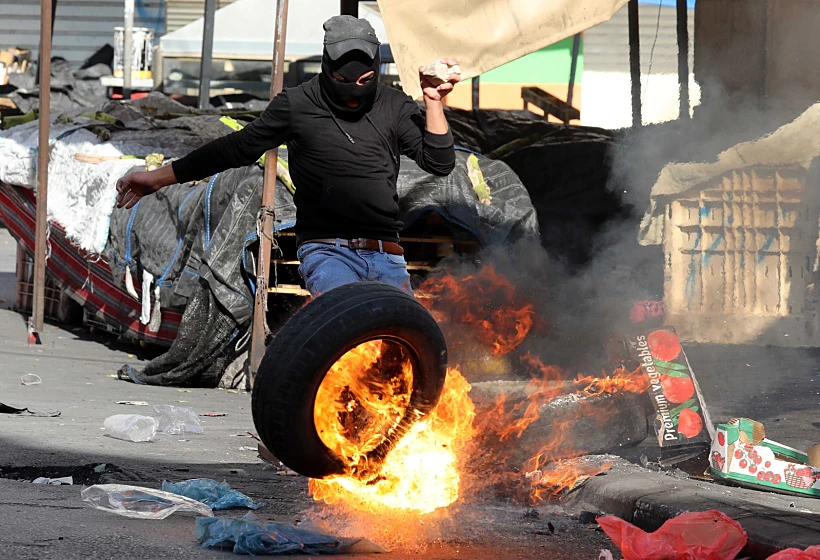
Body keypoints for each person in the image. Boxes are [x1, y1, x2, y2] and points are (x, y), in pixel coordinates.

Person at [116, 15, 460, 298]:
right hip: (327, 253)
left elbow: (440, 162)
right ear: (327, 67)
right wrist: (155, 179)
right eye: (343, 80)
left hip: (387, 256)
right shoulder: (297, 105)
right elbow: (233, 149)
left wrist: (432, 100)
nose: (354, 91)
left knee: (398, 351)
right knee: (343, 327)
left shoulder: (394, 105)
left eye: (365, 81)